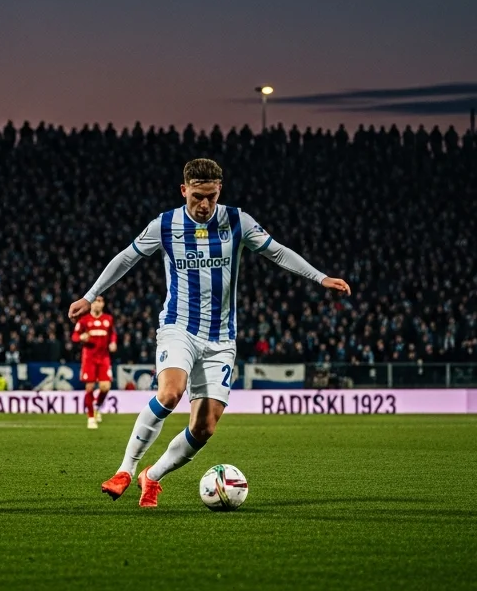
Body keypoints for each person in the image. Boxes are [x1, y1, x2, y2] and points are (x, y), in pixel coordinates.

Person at [68, 158, 351, 508]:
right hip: (179, 328)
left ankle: (151, 477)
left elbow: (277, 251)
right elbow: (126, 258)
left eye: (211, 197)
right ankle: (126, 470)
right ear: (183, 190)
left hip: (221, 339)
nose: (203, 205)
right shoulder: (166, 224)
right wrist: (90, 295)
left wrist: (319, 277)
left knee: (204, 428)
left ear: (220, 191)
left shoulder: (237, 220)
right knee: (171, 393)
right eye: (197, 197)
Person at [71, 295, 117, 429]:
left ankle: (97, 406)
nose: (97, 304)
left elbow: (113, 334)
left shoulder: (108, 319)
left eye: (100, 301)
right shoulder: (84, 320)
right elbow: (74, 336)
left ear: (103, 304)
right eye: (95, 301)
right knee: (90, 387)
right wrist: (81, 337)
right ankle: (91, 417)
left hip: (104, 358)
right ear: (91, 304)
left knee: (105, 387)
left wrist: (113, 343)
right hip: (89, 358)